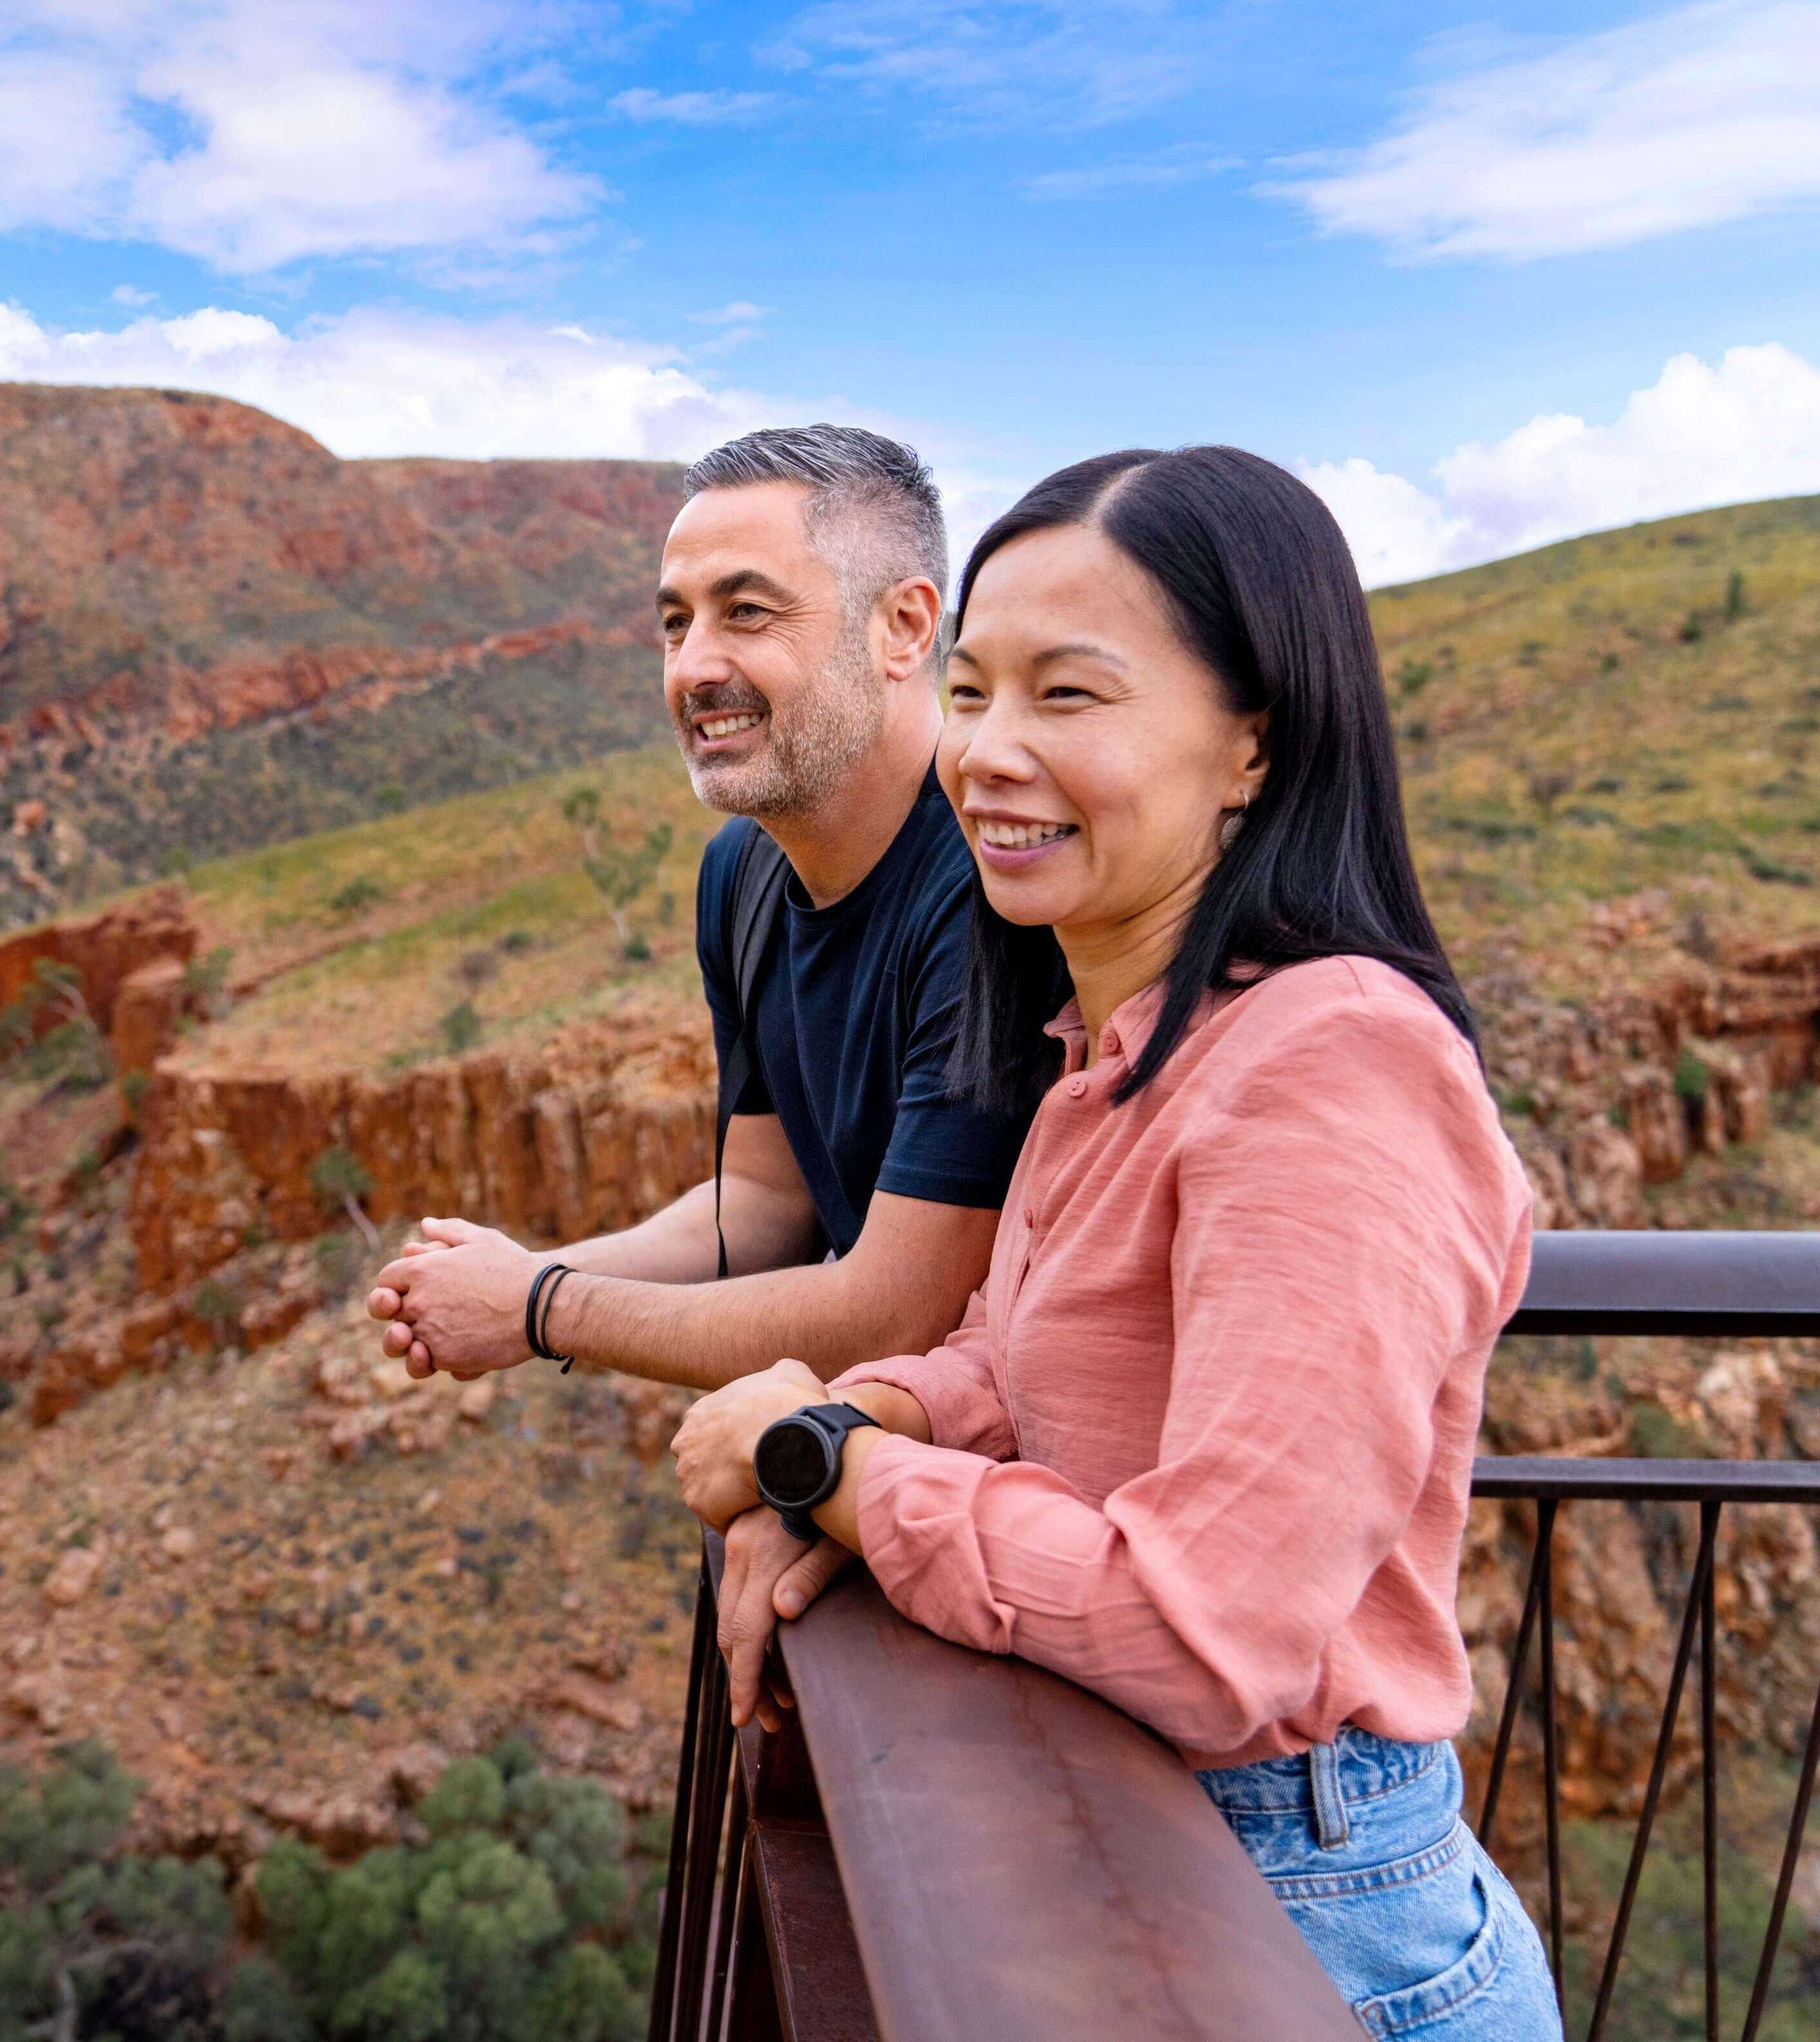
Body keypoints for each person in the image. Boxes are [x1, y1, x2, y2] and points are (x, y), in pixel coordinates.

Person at [672, 445, 1559, 2039]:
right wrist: (864, 1415)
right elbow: (1005, 1362)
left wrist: (834, 1477)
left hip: (1318, 1936)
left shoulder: (1330, 1069)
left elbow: (1205, 1631)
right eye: (970, 691)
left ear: (1252, 745)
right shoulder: (1125, 1049)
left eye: (1069, 697)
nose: (989, 755)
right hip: (1170, 1863)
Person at [364, 426, 1048, 1416]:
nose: (694, 667)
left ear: (904, 628)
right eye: (676, 623)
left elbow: (898, 1310)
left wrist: (541, 1307)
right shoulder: (742, 875)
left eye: (748, 612)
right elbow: (766, 1207)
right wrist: (520, 1275)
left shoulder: (995, 886)